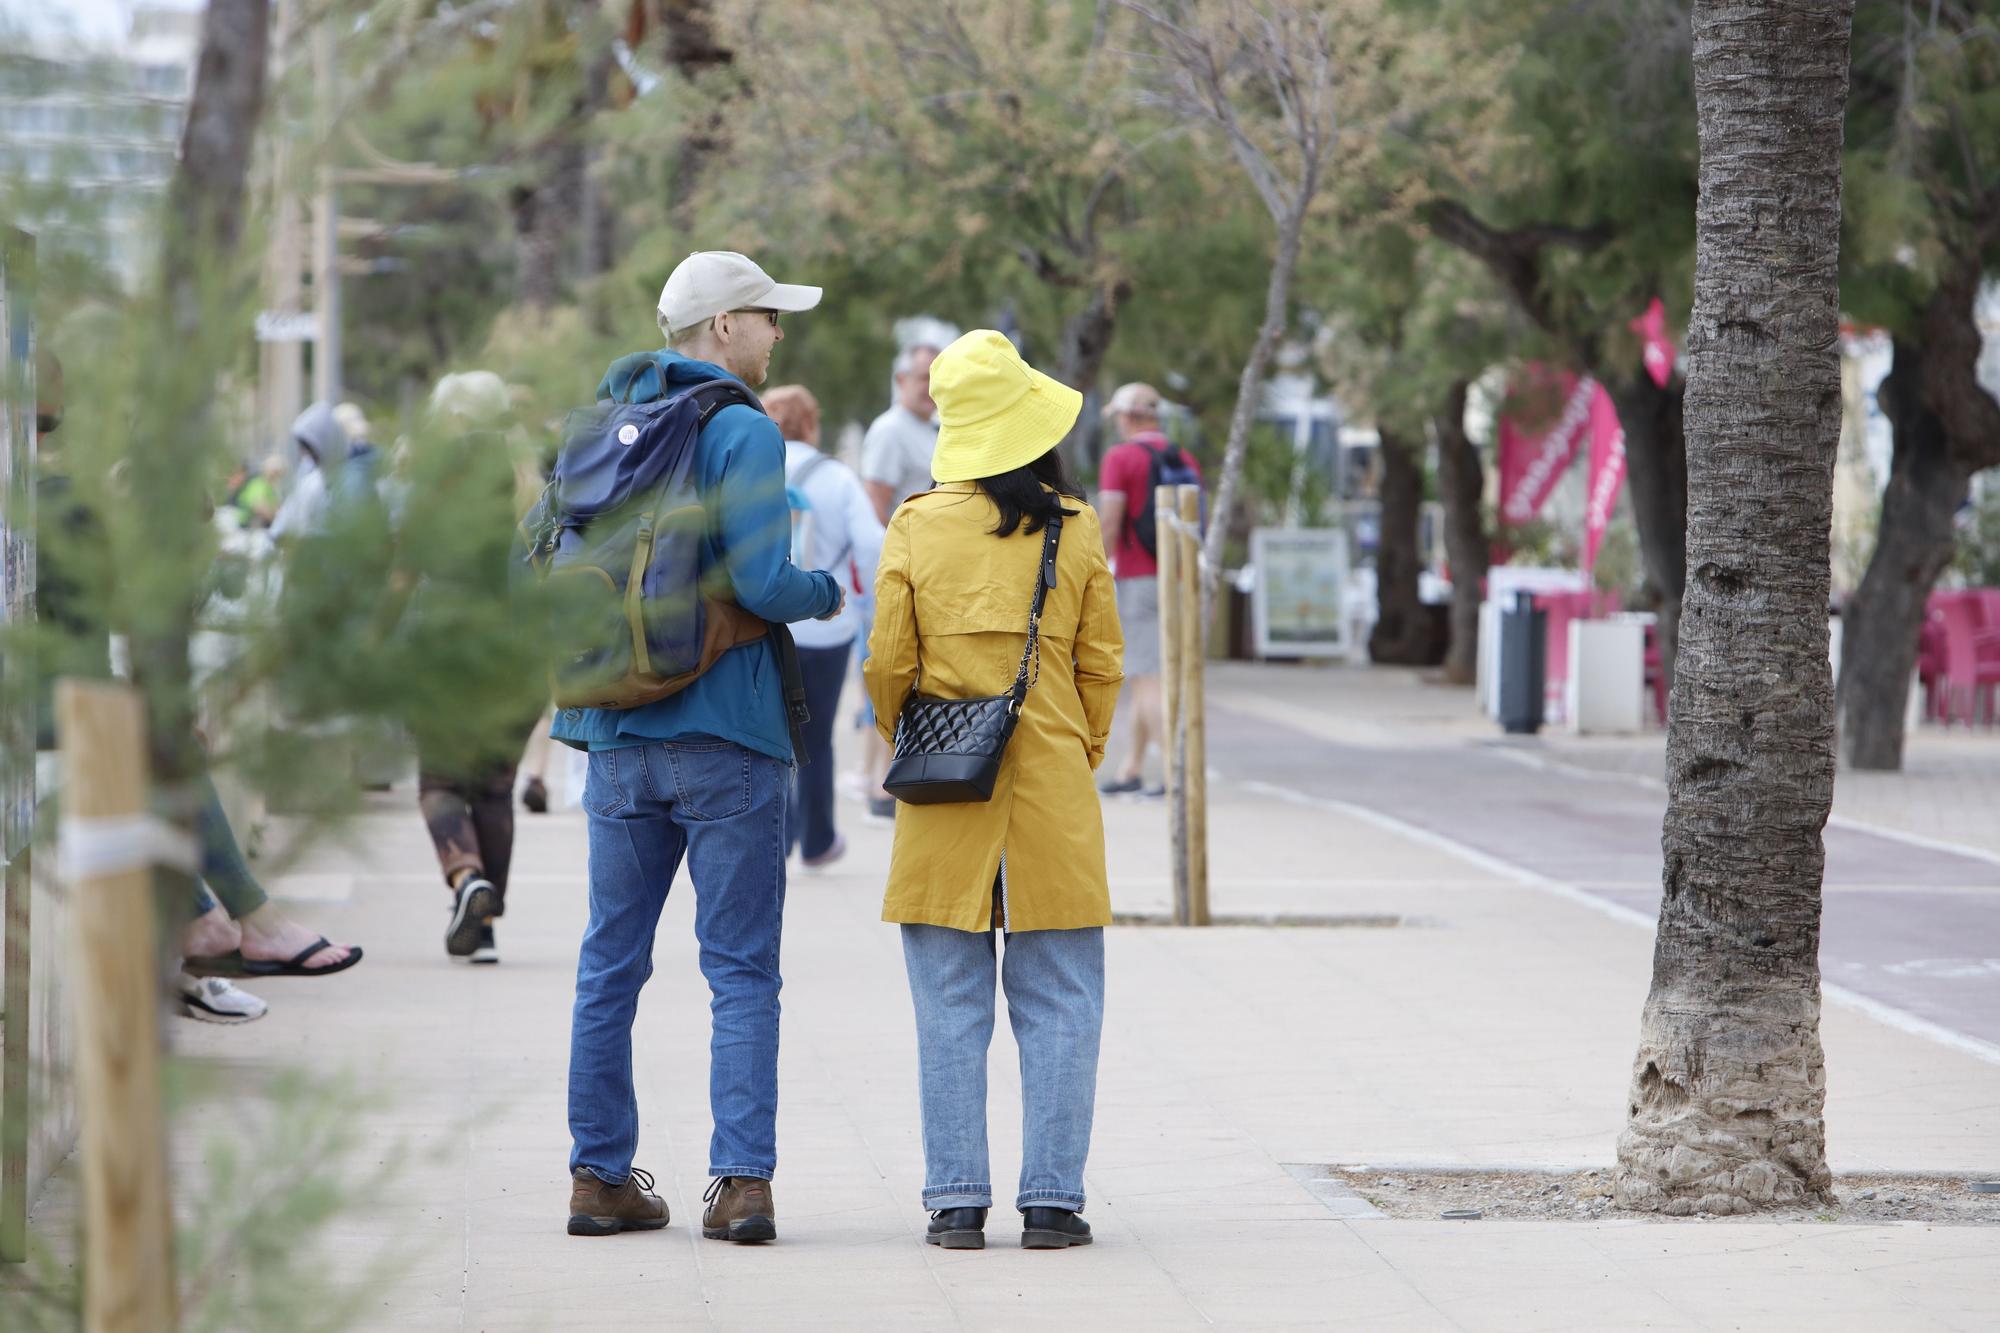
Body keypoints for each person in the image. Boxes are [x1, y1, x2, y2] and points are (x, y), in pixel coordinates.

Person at [559, 250, 843, 1243]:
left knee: (608, 963)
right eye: (766, 315)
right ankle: (741, 1186)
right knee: (740, 971)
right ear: (723, 328)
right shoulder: (739, 429)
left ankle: (598, 1178)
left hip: (616, 731)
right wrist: (825, 590)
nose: (776, 333)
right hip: (728, 734)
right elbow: (766, 583)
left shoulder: (603, 425)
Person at [864, 329, 1123, 1252]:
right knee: (1062, 1000)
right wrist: (1072, 751)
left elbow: (889, 665)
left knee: (948, 1005)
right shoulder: (1077, 526)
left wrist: (919, 741)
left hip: (944, 797)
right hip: (1052, 793)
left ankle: (956, 1202)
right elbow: (1103, 669)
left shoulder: (914, 524)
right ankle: (1052, 1201)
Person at [410, 371, 549, 965]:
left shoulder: (440, 476)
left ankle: (466, 878)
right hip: (519, 654)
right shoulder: (532, 479)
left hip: (447, 651)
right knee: (494, 791)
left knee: (441, 783)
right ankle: (485, 926)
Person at [764, 384, 884, 870]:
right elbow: (871, 543)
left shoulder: (754, 468)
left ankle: (777, 835)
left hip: (768, 620)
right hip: (828, 624)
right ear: (812, 423)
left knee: (770, 733)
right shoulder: (837, 477)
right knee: (816, 737)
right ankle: (817, 840)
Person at [1092, 382, 1200, 796]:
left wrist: (1095, 574)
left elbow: (1110, 522)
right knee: (1151, 669)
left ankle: (1178, 778)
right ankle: (1131, 768)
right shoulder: (1183, 457)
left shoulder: (1121, 458)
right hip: (1179, 578)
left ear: (1128, 416)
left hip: (1138, 578)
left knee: (1145, 677)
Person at [855, 342, 944, 820]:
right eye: (921, 378)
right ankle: (878, 785)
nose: (928, 388)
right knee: (889, 673)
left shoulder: (931, 429)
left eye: (936, 378)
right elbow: (876, 505)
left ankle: (887, 776)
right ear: (900, 380)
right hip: (899, 573)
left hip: (928, 571)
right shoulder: (890, 432)